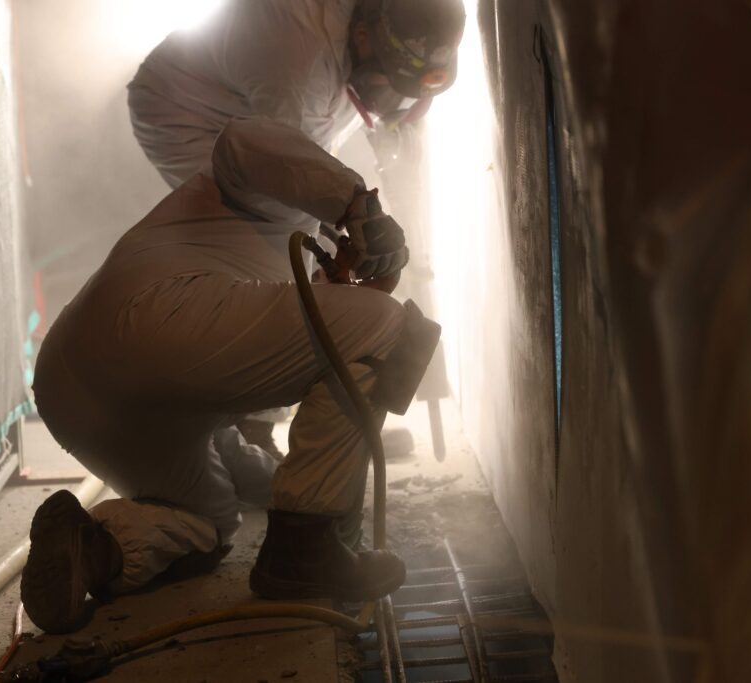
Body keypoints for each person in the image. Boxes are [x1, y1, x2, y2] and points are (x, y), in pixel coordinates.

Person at [21, 118, 440, 634]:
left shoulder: (259, 308)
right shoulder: (281, 200)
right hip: (156, 326)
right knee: (393, 329)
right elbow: (242, 141)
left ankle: (93, 550)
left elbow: (244, 460)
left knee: (211, 523)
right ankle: (304, 550)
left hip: (72, 393)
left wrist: (288, 483)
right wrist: (358, 205)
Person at [127, 0, 465, 462]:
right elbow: (286, 171)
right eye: (386, 84)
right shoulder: (301, 60)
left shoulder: (376, 27)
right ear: (365, 37)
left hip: (258, 94)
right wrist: (354, 219)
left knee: (321, 240)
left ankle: (335, 420)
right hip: (186, 111)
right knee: (277, 243)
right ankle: (254, 429)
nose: (390, 102)